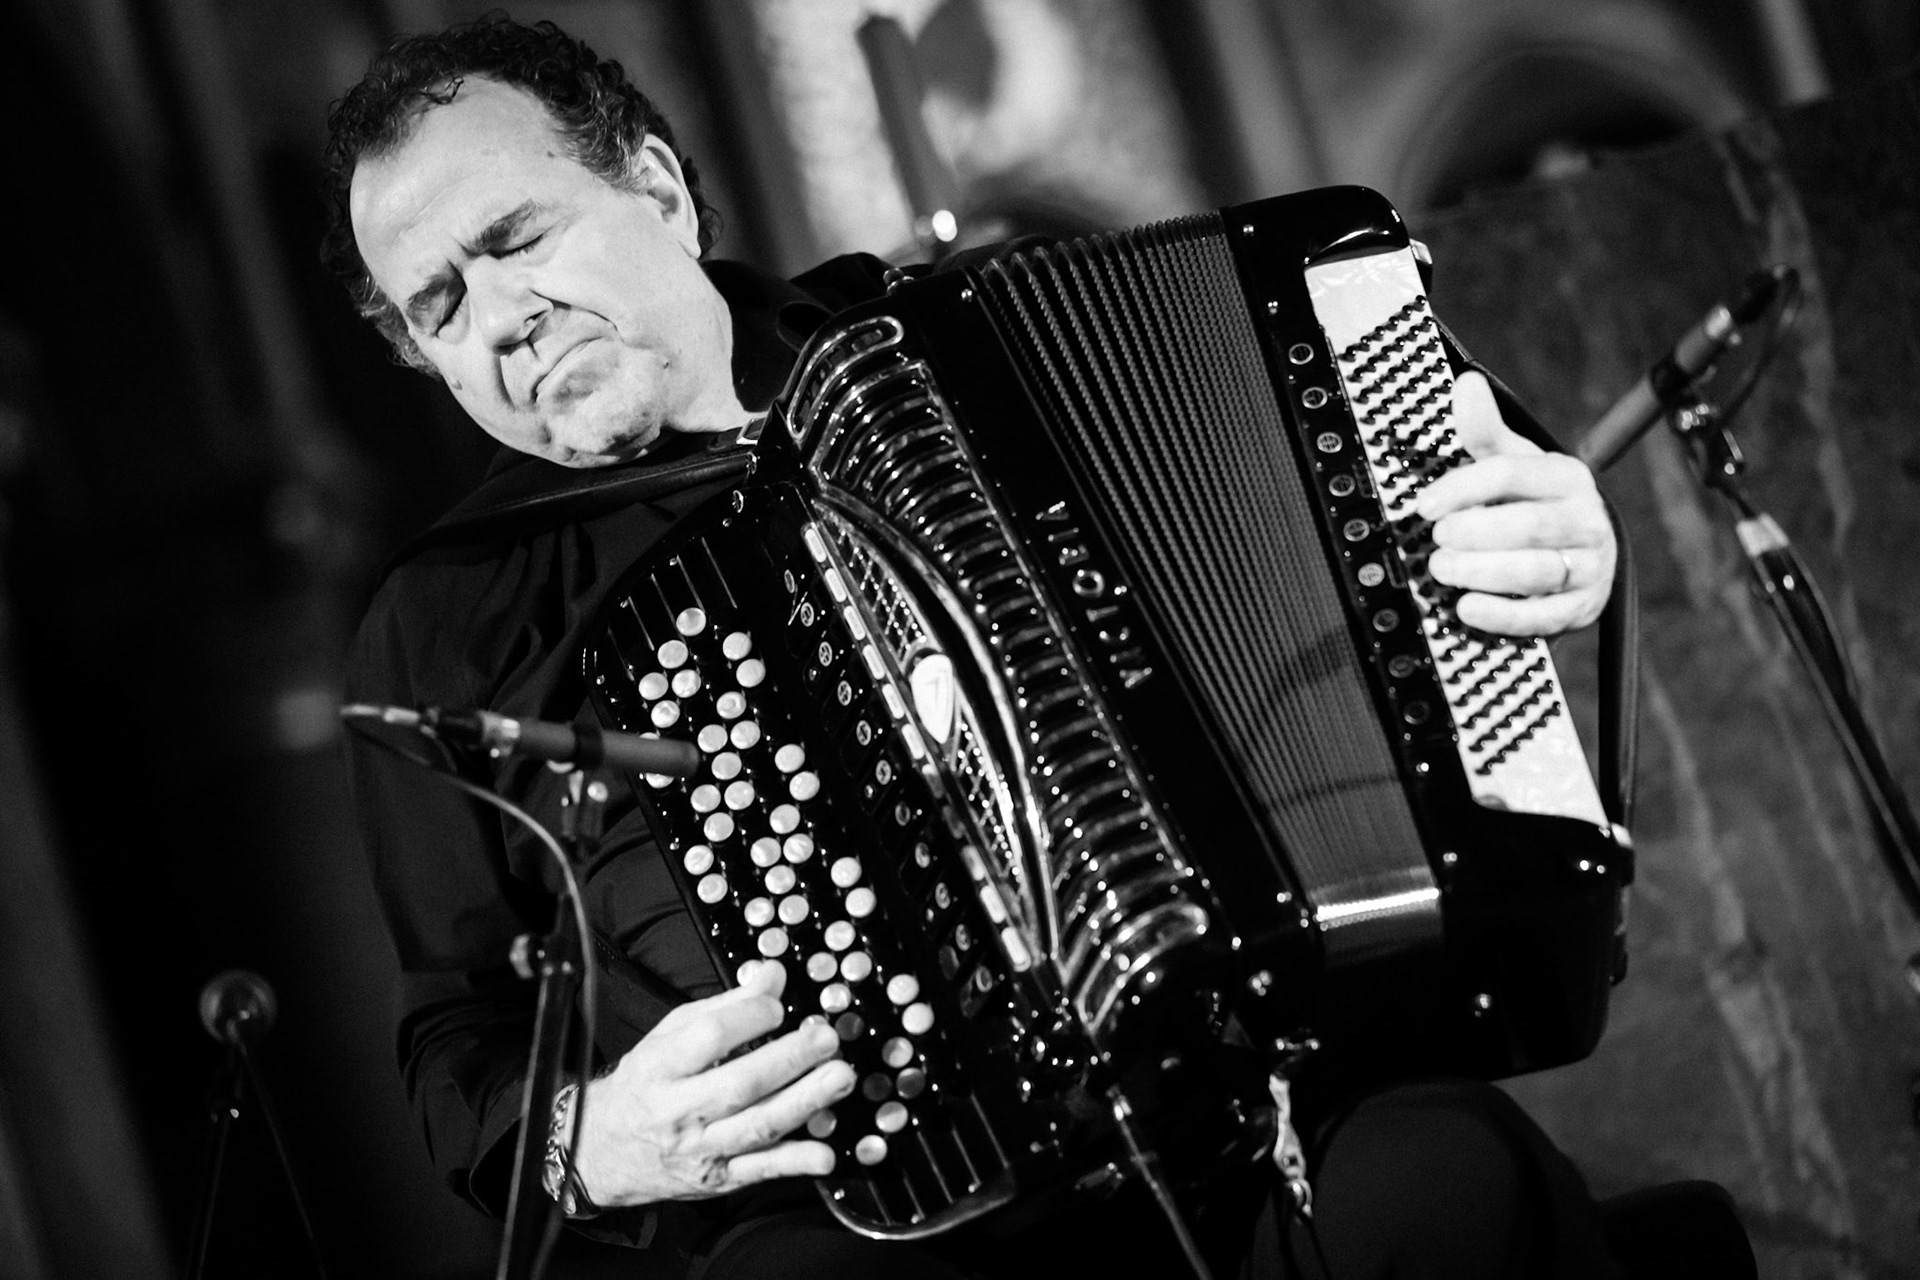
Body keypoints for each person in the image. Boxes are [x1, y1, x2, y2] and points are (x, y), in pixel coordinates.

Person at [325, 15, 1748, 1279]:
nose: (502, 320)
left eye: (519, 240)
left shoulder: (950, 338)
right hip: (876, 1217)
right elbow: (453, 1039)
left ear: (654, 187)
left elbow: (1387, 487)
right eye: (441, 307)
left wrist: (1535, 518)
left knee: (1451, 1187)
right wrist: (593, 1139)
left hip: (1242, 1086)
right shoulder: (447, 620)